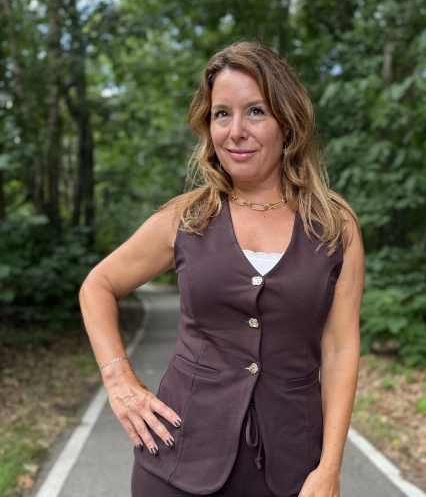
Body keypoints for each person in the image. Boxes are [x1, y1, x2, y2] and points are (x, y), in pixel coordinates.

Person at [79, 41, 364, 497]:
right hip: (177, 463)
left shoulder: (334, 225)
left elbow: (340, 348)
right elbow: (99, 284)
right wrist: (119, 382)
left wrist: (329, 467)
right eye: (221, 114)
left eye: (255, 112)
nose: (235, 132)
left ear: (288, 123)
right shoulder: (185, 218)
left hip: (293, 467)